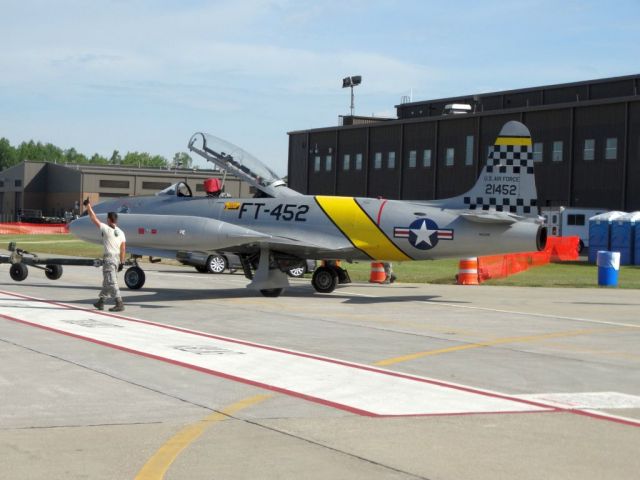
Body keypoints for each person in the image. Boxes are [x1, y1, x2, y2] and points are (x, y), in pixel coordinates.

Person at [83, 198, 127, 312]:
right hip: (117, 259)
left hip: (109, 259)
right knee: (107, 282)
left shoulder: (106, 229)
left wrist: (88, 206)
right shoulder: (121, 233)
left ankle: (119, 303)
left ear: (108, 219)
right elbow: (123, 249)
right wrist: (122, 262)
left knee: (111, 281)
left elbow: (93, 218)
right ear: (116, 220)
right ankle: (101, 302)